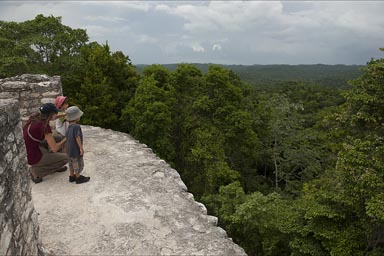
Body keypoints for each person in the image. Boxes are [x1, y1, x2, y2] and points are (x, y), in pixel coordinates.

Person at [23, 103, 69, 183]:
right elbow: (54, 148)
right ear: (51, 114)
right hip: (33, 156)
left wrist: (65, 114)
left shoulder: (35, 117)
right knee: (68, 157)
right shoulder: (44, 127)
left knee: (58, 138)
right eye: (55, 113)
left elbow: (54, 117)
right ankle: (36, 172)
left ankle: (53, 161)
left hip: (30, 148)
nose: (57, 114)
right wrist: (66, 138)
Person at [65, 106, 90, 184]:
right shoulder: (76, 126)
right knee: (77, 163)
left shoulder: (68, 127)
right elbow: (77, 137)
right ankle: (78, 177)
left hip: (69, 149)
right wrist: (81, 148)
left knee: (71, 163)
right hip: (75, 149)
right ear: (76, 117)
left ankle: (72, 176)